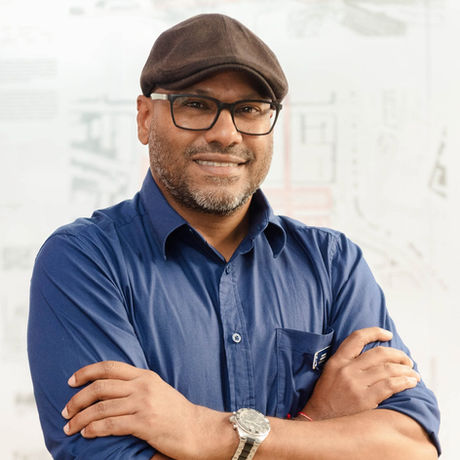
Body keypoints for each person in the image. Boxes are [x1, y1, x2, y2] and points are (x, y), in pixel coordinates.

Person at [28, 13, 440, 460]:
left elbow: (411, 445)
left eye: (249, 110)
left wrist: (208, 432)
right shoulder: (85, 262)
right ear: (145, 118)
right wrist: (315, 421)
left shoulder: (333, 264)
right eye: (195, 104)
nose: (226, 134)